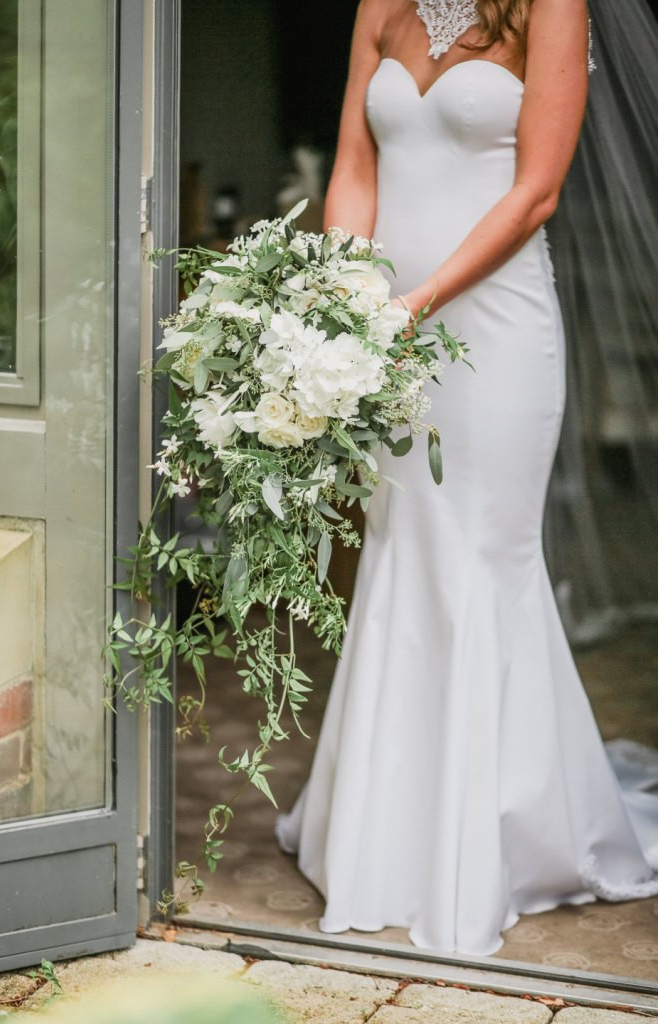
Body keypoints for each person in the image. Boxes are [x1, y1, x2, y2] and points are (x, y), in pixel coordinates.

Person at [276, 0, 658, 956]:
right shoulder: (380, 5)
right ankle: (382, 834)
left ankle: (487, 843)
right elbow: (355, 167)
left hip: (492, 332)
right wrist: (344, 300)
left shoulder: (549, 7)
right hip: (381, 337)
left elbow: (536, 192)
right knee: (400, 551)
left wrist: (413, 305)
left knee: (478, 559)